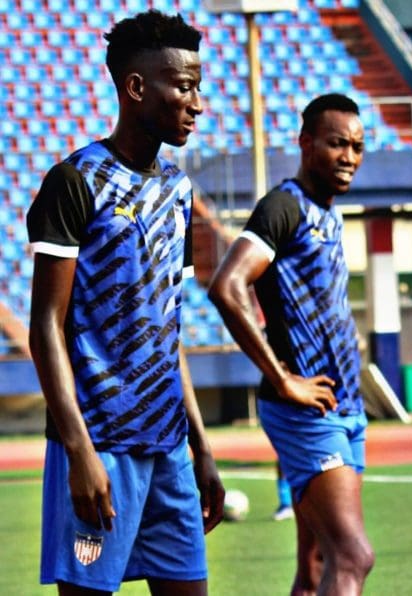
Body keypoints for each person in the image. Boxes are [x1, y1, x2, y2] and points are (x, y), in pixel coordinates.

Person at [25, 10, 223, 594]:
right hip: (99, 447)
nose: (196, 102)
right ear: (136, 87)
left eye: (199, 88)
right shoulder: (75, 181)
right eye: (183, 86)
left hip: (170, 452)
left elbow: (168, 332)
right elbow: (46, 329)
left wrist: (201, 445)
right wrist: (79, 453)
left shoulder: (178, 190)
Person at [208, 93, 374, 595]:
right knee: (353, 556)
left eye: (357, 146)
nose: (349, 156)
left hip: (343, 404)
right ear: (305, 143)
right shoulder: (285, 206)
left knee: (319, 562)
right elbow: (227, 286)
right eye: (336, 143)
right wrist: (284, 380)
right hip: (307, 412)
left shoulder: (330, 214)